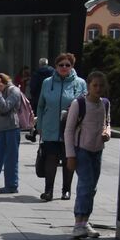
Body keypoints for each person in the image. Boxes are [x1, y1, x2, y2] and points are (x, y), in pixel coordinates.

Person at [65, 71, 112, 239]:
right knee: (85, 185)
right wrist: (71, 155)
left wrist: (107, 133)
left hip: (97, 150)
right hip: (81, 150)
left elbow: (107, 122)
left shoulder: (105, 103)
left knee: (92, 187)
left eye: (101, 85)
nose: (98, 88)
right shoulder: (79, 104)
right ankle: (78, 223)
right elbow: (69, 130)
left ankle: (85, 222)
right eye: (95, 85)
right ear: (89, 86)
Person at [36, 53, 86, 201]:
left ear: (72, 66)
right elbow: (40, 105)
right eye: (61, 65)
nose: (64, 67)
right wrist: (39, 125)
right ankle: (48, 190)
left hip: (70, 129)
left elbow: (83, 106)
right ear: (56, 66)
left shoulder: (80, 83)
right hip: (50, 127)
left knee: (67, 159)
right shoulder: (47, 82)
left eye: (67, 65)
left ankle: (66, 190)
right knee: (50, 158)